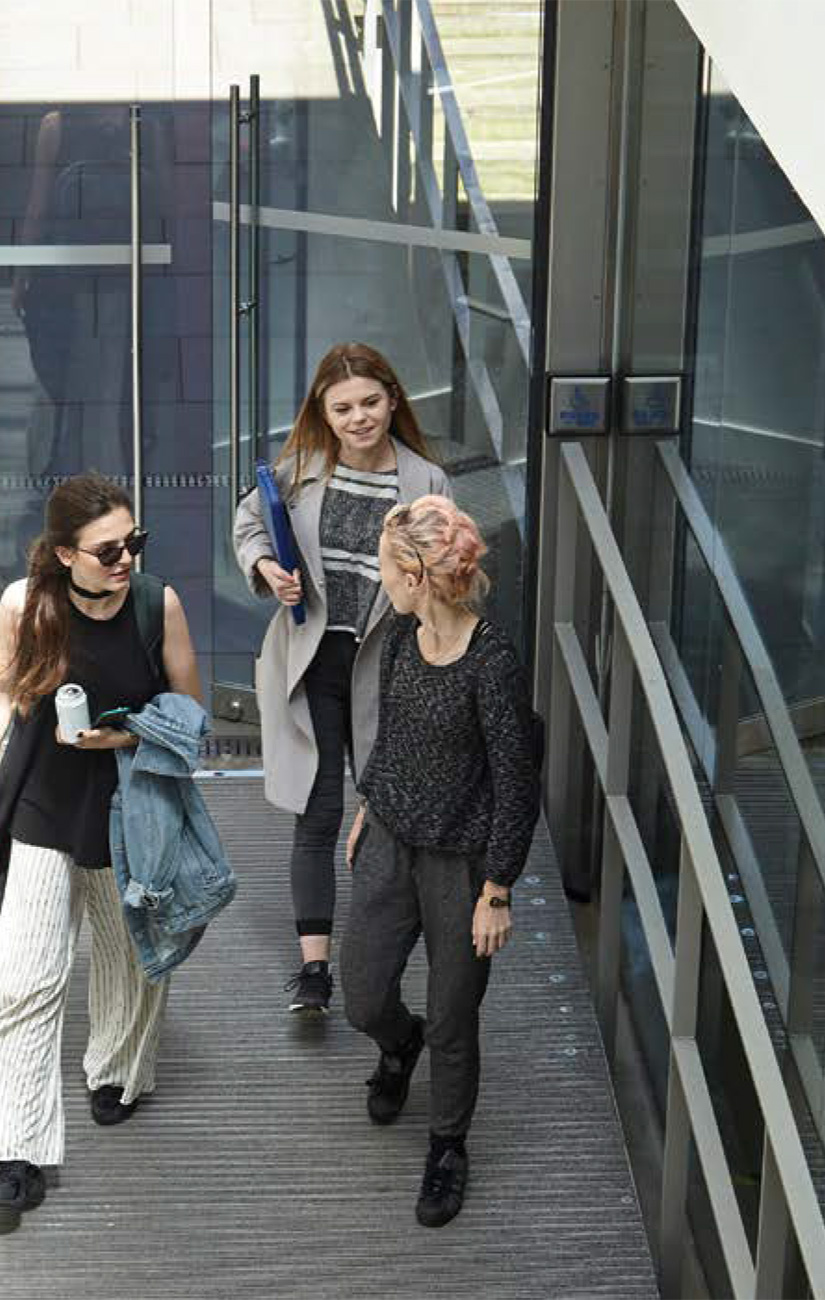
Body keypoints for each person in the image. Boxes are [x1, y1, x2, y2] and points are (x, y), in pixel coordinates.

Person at [0, 473, 204, 1214]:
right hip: (40, 807)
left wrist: (122, 735)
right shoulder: (26, 604)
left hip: (131, 810)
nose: (125, 558)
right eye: (107, 550)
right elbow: (2, 692)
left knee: (129, 965)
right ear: (65, 554)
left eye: (134, 542)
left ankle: (115, 1072)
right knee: (24, 982)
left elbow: (190, 713)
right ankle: (15, 1150)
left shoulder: (159, 604)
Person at [231, 342, 449, 1014]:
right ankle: (315, 970)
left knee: (387, 815)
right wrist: (265, 567)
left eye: (370, 403)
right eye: (343, 408)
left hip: (390, 671)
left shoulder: (426, 482)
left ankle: (376, 960)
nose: (359, 418)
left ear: (392, 398)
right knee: (317, 812)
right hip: (311, 661)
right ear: (323, 414)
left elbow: (445, 576)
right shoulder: (301, 472)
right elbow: (248, 524)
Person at [341, 495, 540, 1229]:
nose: (381, 581)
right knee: (361, 993)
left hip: (462, 862)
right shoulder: (398, 637)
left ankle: (448, 1147)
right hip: (390, 837)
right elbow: (389, 732)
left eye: (389, 570)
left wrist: (498, 889)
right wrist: (370, 802)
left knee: (455, 1017)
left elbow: (518, 780)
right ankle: (398, 1046)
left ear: (419, 574)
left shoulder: (492, 662)